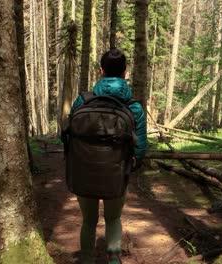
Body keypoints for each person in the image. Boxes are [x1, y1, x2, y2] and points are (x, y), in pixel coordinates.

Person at [69, 49, 147, 264]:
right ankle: (113, 258)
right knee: (113, 218)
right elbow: (140, 147)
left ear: (101, 71)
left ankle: (86, 259)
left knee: (88, 221)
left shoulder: (82, 101)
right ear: (124, 72)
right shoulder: (134, 107)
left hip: (84, 170)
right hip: (117, 172)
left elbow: (68, 136)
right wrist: (133, 164)